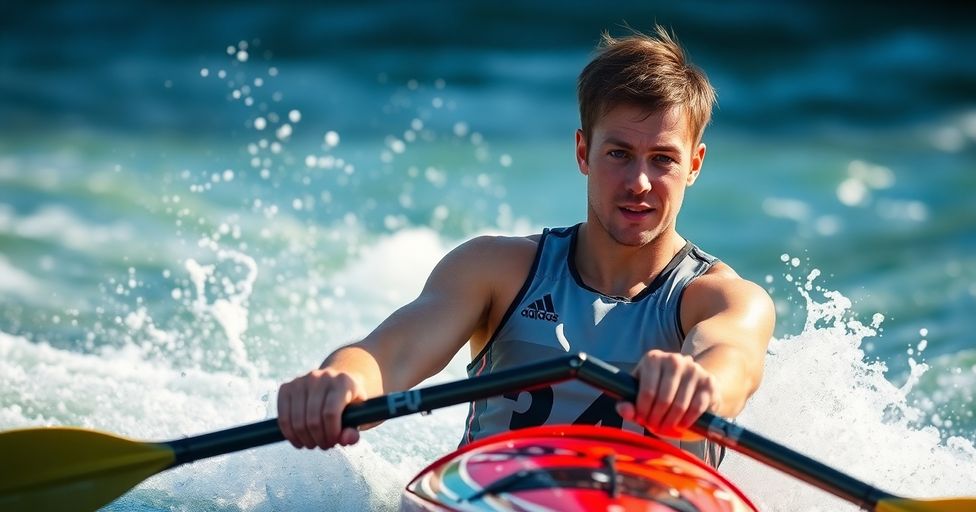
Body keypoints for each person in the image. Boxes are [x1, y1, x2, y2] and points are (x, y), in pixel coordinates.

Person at [277, 25, 775, 467]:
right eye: (618, 153)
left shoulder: (724, 300)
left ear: (694, 165)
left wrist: (698, 386)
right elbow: (391, 355)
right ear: (583, 151)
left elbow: (731, 362)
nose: (639, 182)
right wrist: (342, 385)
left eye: (663, 159)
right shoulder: (496, 270)